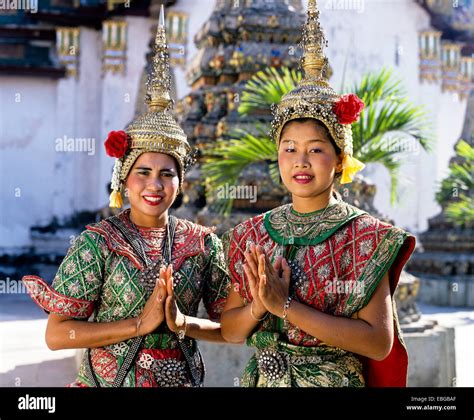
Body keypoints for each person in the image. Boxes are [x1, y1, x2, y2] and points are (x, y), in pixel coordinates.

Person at [22, 6, 230, 388]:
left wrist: (185, 323)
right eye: (143, 173)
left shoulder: (202, 244)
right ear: (124, 179)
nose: (155, 185)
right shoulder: (97, 244)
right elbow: (57, 335)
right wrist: (137, 325)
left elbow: (230, 328)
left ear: (180, 182)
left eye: (167, 174)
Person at [220, 0, 415, 387]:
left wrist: (285, 306)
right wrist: (259, 306)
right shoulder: (251, 236)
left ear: (340, 160)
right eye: (289, 148)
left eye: (316, 149)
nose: (301, 161)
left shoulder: (365, 237)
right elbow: (230, 330)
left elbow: (378, 342)